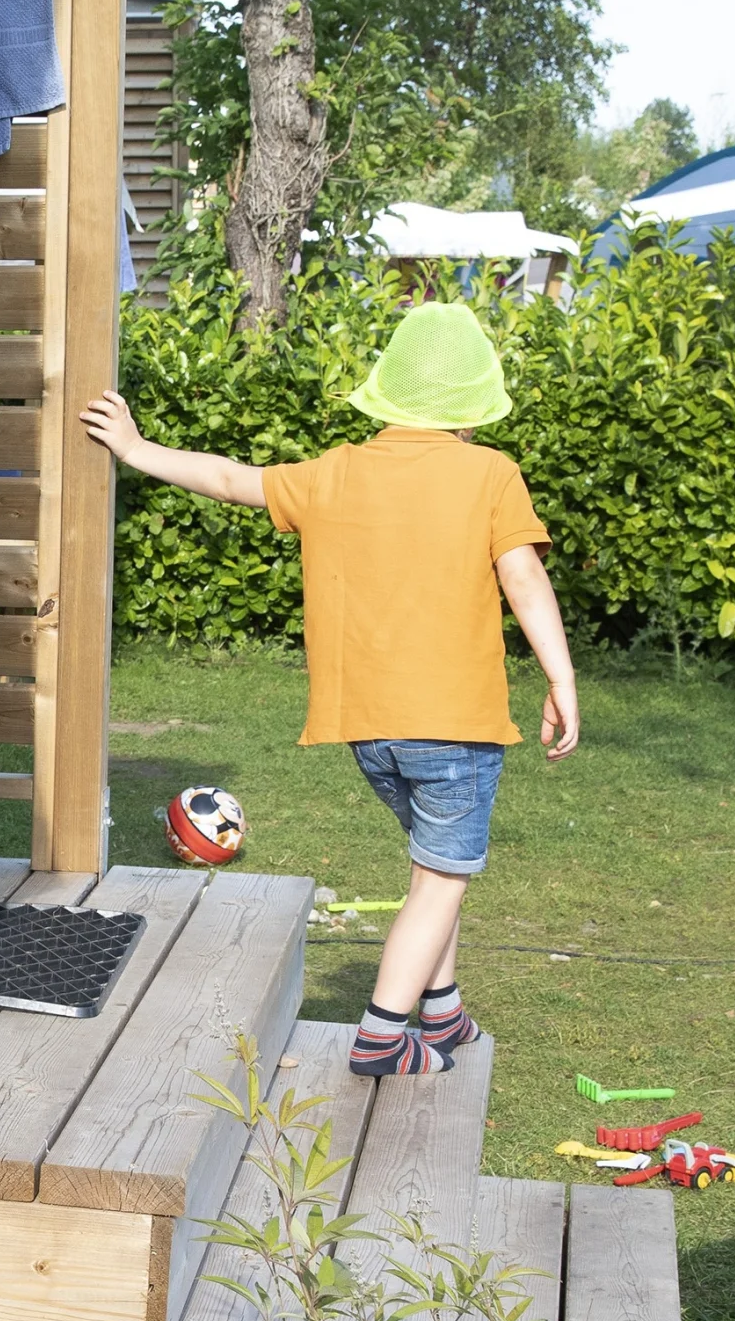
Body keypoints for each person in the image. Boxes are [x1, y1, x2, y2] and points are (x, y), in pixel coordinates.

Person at [82, 302, 578, 1077]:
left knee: (430, 871)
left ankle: (441, 1016)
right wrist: (561, 675)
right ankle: (382, 1036)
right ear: (473, 408)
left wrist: (137, 448)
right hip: (455, 728)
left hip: (368, 730)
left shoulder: (337, 471)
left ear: (387, 394)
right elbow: (523, 574)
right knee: (444, 879)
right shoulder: (491, 475)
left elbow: (228, 479)